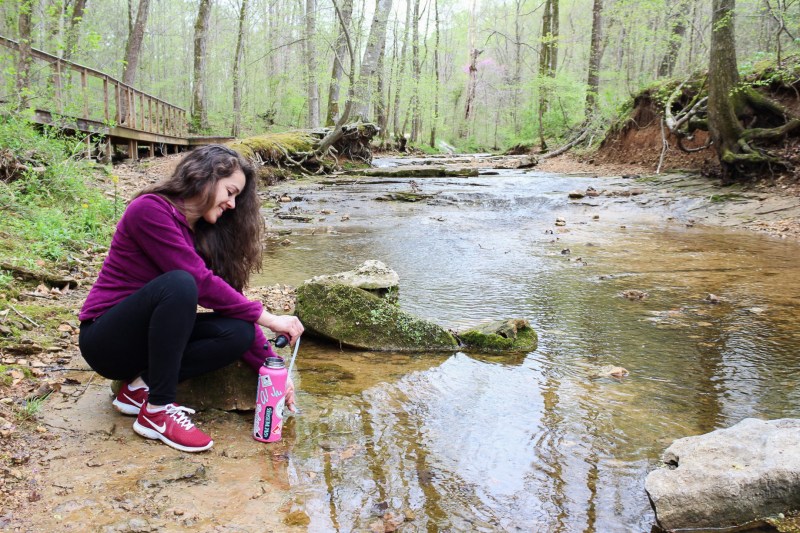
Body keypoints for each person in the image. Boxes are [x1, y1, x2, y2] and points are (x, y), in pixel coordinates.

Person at [78, 145, 303, 453]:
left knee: (237, 331)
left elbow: (230, 301)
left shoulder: (198, 232)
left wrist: (273, 368)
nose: (233, 204)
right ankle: (157, 411)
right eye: (230, 191)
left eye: (237, 196)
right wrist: (272, 318)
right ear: (205, 177)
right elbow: (198, 282)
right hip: (106, 339)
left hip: (147, 342)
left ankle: (138, 390)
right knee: (182, 284)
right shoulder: (150, 210)